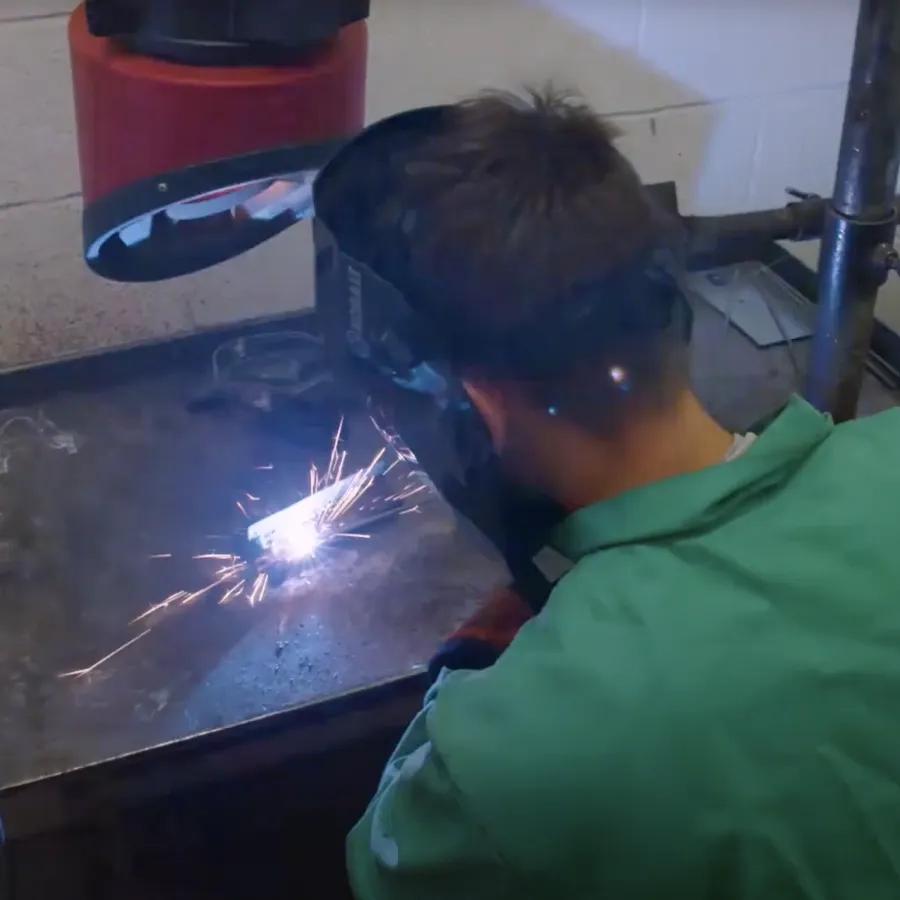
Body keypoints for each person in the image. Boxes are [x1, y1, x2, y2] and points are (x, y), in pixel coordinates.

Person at [337, 87, 900, 898]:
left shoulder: (503, 757)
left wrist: (472, 668)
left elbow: (384, 874)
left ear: (480, 407)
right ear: (676, 311)